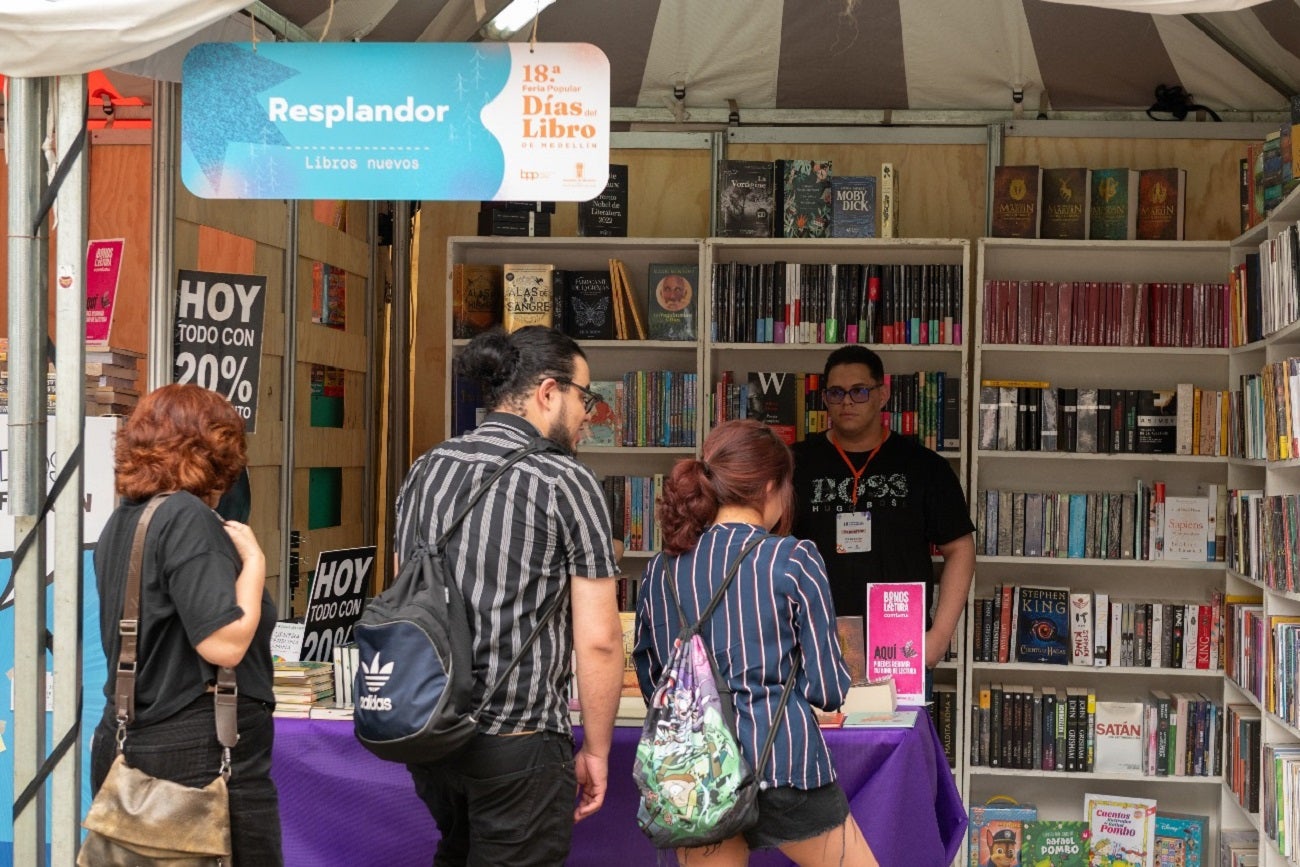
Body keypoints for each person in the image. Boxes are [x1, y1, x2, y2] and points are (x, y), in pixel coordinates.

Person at [395, 325, 624, 866]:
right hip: (517, 740)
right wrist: (596, 750)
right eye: (585, 397)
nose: (591, 413)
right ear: (548, 392)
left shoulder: (426, 469)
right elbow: (599, 641)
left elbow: (411, 597)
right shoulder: (566, 481)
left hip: (429, 733)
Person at [633, 419, 879, 867]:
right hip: (785, 764)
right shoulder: (793, 559)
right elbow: (828, 689)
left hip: (698, 775)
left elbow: (655, 682)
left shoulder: (661, 570)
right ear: (770, 485)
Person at [90, 383, 281, 865]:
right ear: (215, 449)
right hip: (200, 757)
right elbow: (225, 645)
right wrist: (254, 562)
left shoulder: (125, 521)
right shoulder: (188, 518)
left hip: (130, 738)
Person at [791, 345, 975, 679]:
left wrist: (938, 638)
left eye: (859, 391)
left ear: (883, 395)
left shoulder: (923, 466)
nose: (847, 402)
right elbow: (767, 546)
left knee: (894, 734)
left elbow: (960, 548)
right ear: (825, 399)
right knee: (812, 734)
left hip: (898, 648)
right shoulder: (795, 464)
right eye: (836, 392)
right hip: (813, 646)